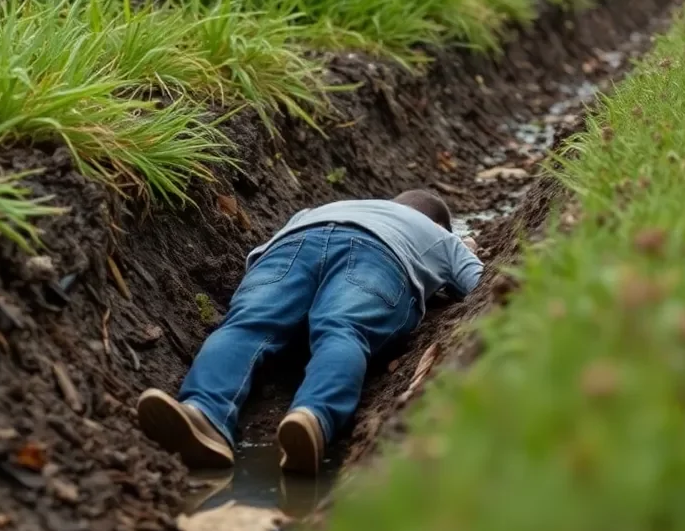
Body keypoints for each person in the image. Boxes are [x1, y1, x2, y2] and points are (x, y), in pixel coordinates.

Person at [137, 189, 483, 476]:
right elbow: (484, 284)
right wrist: (462, 251)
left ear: (392, 202)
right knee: (342, 330)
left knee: (247, 326)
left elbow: (258, 256)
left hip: (295, 244)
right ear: (440, 223)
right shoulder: (440, 236)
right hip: (378, 258)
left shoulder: (327, 207)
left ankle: (202, 411)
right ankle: (313, 416)